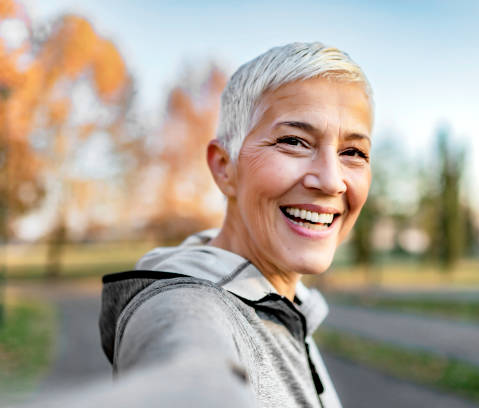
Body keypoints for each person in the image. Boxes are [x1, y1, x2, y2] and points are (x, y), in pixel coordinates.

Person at [99, 42, 373, 408]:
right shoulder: (182, 310)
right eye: (293, 141)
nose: (331, 180)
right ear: (225, 167)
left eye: (352, 152)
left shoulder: (287, 304)